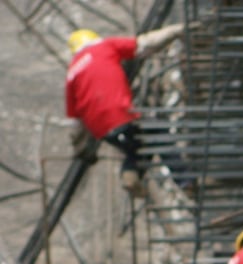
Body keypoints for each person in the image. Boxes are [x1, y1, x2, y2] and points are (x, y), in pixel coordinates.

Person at [65, 24, 185, 194]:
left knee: (137, 146)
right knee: (158, 132)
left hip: (101, 129)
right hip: (120, 114)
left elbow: (76, 120)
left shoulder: (72, 73)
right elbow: (145, 44)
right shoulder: (104, 47)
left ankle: (130, 174)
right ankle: (186, 180)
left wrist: (80, 147)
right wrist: (175, 31)